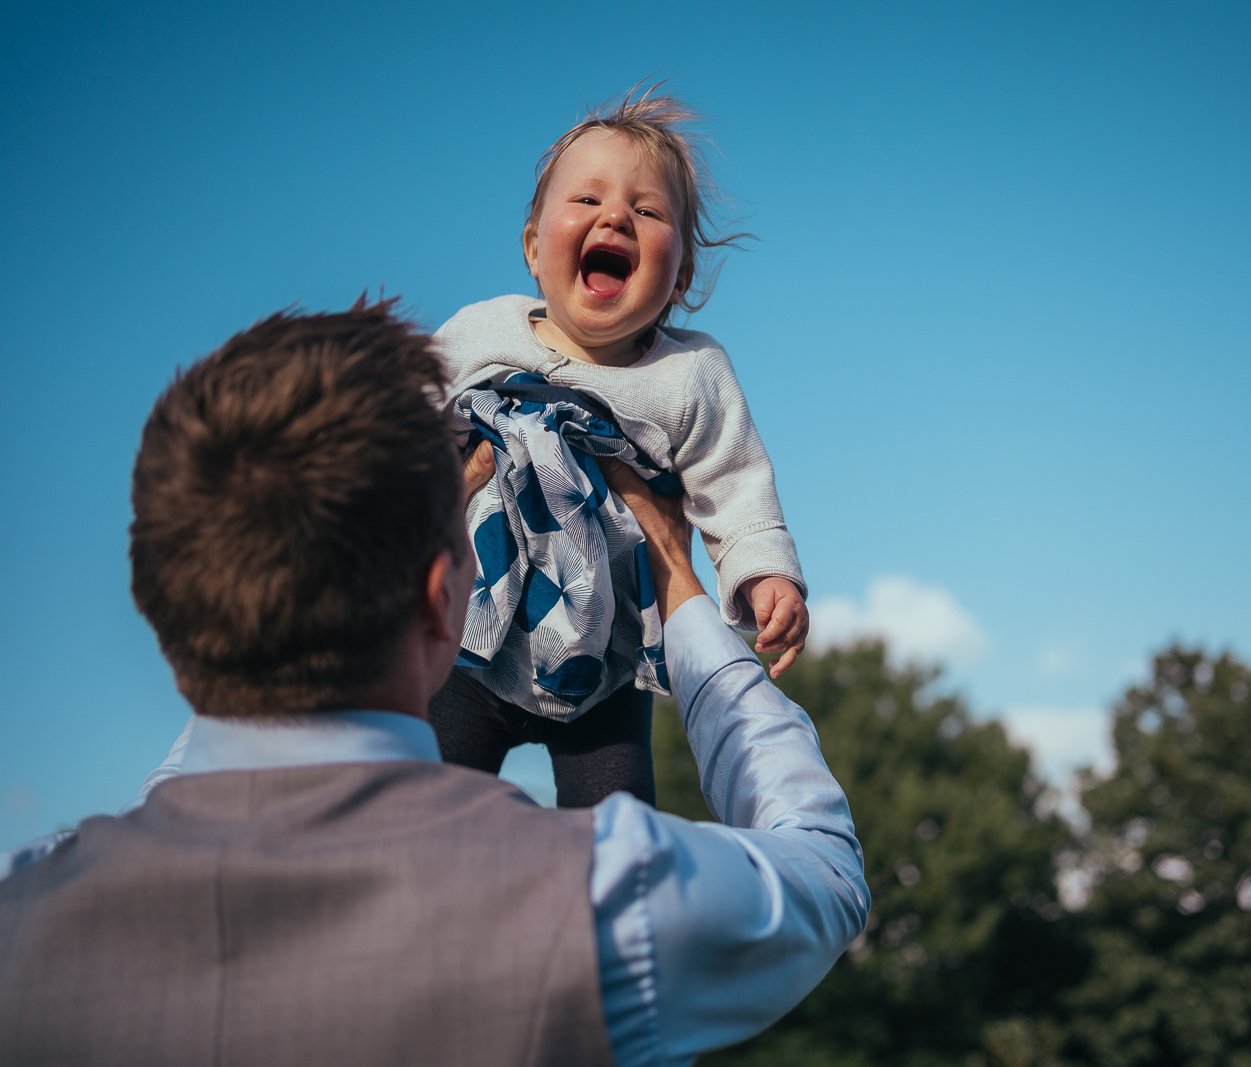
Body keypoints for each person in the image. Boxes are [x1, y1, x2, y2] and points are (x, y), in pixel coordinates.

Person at [0, 300, 868, 1066]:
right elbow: (826, 872)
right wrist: (681, 591)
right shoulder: (610, 904)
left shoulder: (23, 919)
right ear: (438, 592)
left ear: (166, 598)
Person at [430, 85, 807, 808]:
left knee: (617, 828)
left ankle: (595, 917)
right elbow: (401, 424)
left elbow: (736, 485)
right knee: (421, 809)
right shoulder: (482, 331)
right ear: (535, 248)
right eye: (587, 201)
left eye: (647, 210)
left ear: (681, 278)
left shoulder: (689, 374)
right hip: (468, 642)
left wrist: (765, 574)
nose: (615, 217)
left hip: (607, 662)